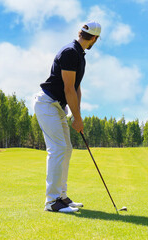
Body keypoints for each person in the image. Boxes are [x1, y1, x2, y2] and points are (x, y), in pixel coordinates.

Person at [34, 21, 101, 213]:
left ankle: (62, 197)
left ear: (81, 32)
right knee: (58, 148)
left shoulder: (79, 55)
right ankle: (52, 201)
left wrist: (75, 114)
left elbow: (76, 87)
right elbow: (68, 88)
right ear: (95, 39)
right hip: (47, 103)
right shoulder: (70, 52)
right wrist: (77, 119)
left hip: (58, 106)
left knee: (67, 149)